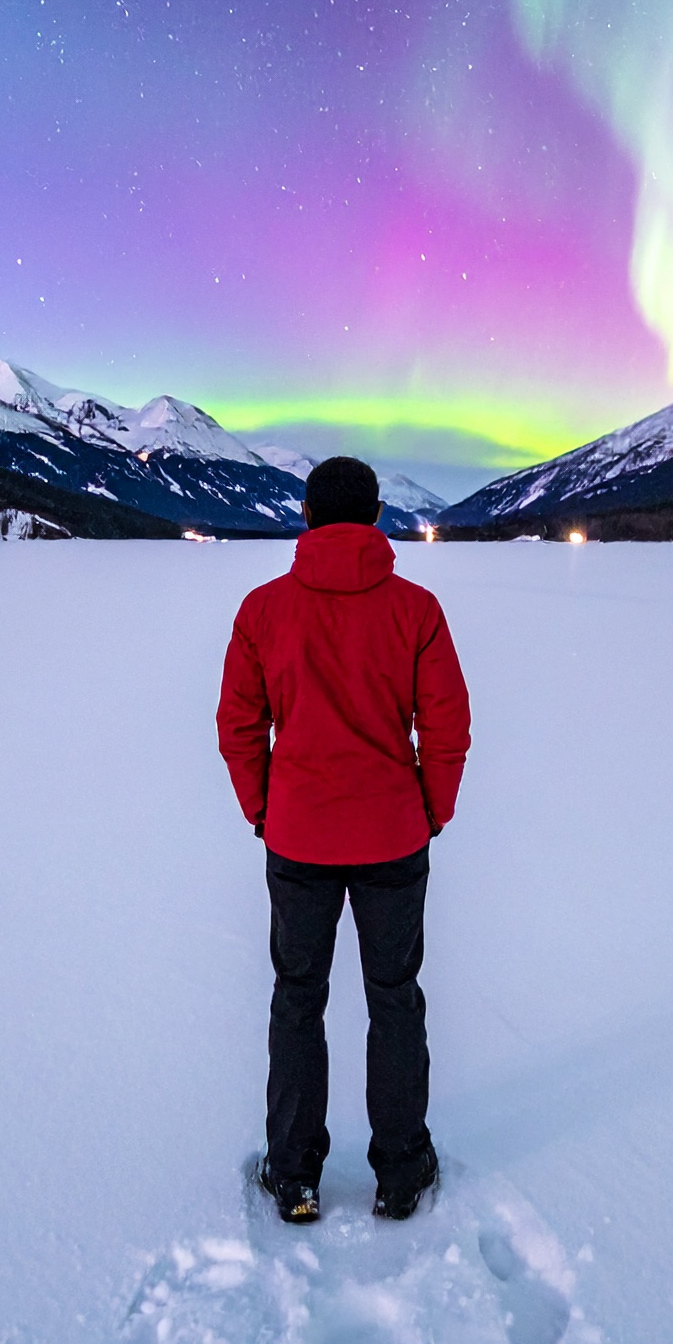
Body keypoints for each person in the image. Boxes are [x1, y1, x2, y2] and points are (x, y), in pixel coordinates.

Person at [217, 456, 470, 1224]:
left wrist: (264, 809)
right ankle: (399, 1171)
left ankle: (293, 1172)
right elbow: (448, 728)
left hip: (299, 838)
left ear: (306, 515)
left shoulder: (263, 610)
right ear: (377, 516)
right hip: (393, 834)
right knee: (395, 1000)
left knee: (298, 999)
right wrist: (430, 809)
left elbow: (238, 727)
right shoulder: (416, 609)